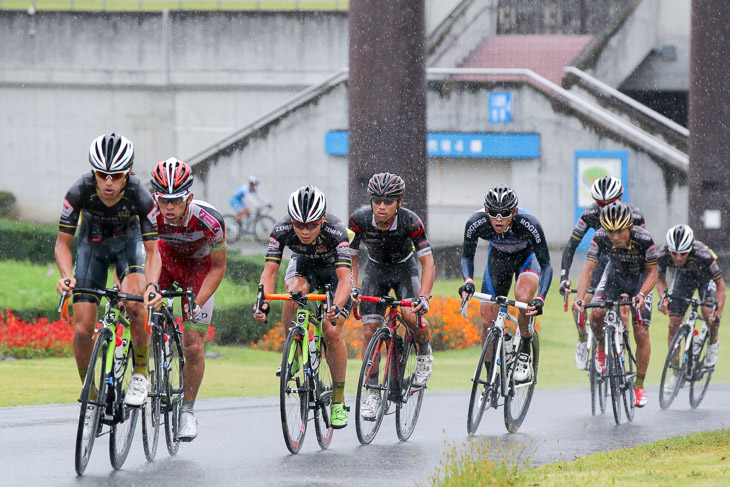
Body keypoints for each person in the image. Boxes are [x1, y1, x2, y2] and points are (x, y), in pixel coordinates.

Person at [55, 133, 162, 430]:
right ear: (94, 172)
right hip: (93, 248)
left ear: (128, 172)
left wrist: (152, 285)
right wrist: (66, 276)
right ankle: (90, 397)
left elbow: (153, 251)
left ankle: (140, 372)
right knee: (81, 328)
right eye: (102, 174)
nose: (108, 182)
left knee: (134, 302)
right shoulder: (78, 191)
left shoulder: (141, 194)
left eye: (116, 175)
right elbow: (62, 244)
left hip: (130, 247)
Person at [252, 185, 352, 429]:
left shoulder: (337, 231)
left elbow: (345, 279)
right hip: (303, 266)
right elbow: (270, 271)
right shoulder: (281, 230)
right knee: (294, 294)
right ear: (291, 221)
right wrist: (263, 300)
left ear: (323, 219)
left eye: (312, 225)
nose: (305, 231)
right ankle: (294, 351)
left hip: (333, 274)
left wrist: (336, 307)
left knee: (331, 331)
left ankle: (338, 400)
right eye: (299, 225)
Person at [150, 157, 227, 441]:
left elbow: (218, 267)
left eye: (176, 200)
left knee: (193, 345)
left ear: (189, 197)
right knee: (138, 310)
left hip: (199, 271)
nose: (168, 208)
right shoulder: (147, 215)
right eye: (163, 200)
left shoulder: (211, 220)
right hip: (163, 263)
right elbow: (140, 257)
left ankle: (187, 411)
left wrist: (198, 300)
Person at [348, 173, 435, 419]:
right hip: (375, 271)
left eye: (388, 201)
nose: (381, 206)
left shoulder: (412, 221)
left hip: (405, 271)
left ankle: (425, 352)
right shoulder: (358, 220)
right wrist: (353, 287)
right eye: (377, 200)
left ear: (399, 202)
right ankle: (373, 392)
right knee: (369, 330)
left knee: (409, 314)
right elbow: (351, 258)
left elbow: (428, 263)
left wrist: (425, 297)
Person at [458, 185, 552, 383]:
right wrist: (468, 282)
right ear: (486, 211)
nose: (498, 218)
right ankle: (491, 375)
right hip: (499, 259)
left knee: (523, 297)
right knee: (486, 321)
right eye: (493, 213)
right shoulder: (476, 223)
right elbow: (467, 257)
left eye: (505, 213)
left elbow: (546, 266)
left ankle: (525, 348)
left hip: (526, 258)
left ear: (515, 212)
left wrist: (540, 298)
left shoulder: (529, 224)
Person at [573, 201, 657, 408]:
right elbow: (589, 269)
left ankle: (639, 385)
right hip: (614, 276)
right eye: (610, 231)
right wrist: (580, 298)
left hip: (640, 279)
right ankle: (601, 348)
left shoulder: (644, 239)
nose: (615, 237)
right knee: (596, 314)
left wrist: (642, 294)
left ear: (630, 227)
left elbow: (653, 272)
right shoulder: (600, 237)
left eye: (620, 231)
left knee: (641, 331)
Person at [559, 176, 645, 370]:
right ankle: (583, 340)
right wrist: (564, 278)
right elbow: (571, 246)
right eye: (601, 204)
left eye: (610, 203)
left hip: (626, 263)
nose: (605, 208)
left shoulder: (635, 215)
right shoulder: (589, 214)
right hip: (601, 262)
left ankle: (623, 349)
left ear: (621, 197)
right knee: (580, 305)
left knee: (625, 313)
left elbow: (643, 249)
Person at [656, 224, 725, 394]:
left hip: (705, 280)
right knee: (673, 324)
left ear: (690, 248)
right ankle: (675, 373)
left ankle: (712, 343)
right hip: (683, 280)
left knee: (708, 314)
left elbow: (720, 286)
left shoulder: (703, 254)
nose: (678, 259)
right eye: (674, 254)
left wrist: (718, 314)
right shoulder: (663, 254)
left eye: (683, 254)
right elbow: (659, 278)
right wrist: (664, 299)